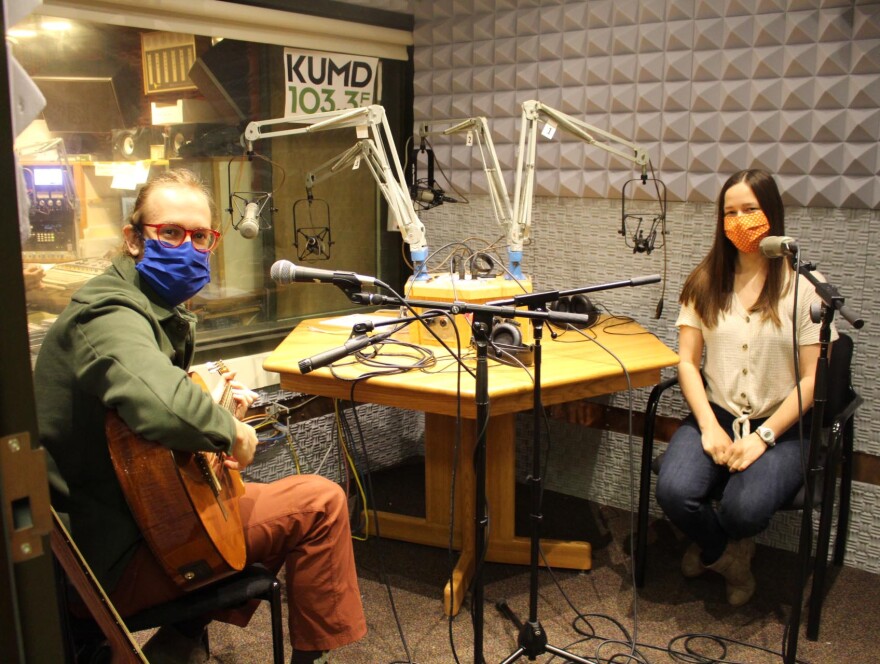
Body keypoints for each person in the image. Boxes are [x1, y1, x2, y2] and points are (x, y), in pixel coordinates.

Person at [34, 169, 366, 664]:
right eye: (170, 233)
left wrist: (209, 422)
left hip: (143, 523)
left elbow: (135, 427)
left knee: (263, 499)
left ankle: (183, 637)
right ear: (132, 239)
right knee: (319, 503)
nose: (187, 247)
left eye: (200, 237)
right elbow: (160, 402)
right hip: (103, 562)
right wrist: (230, 433)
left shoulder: (148, 306)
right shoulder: (106, 312)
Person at [654, 169, 837, 607]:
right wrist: (709, 428)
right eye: (729, 212)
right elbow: (686, 362)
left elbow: (814, 378)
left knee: (743, 508)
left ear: (771, 213)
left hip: (785, 428)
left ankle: (720, 545)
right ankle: (730, 556)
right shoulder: (703, 281)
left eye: (750, 210)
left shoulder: (806, 286)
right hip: (714, 415)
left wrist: (763, 437)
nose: (739, 220)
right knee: (673, 492)